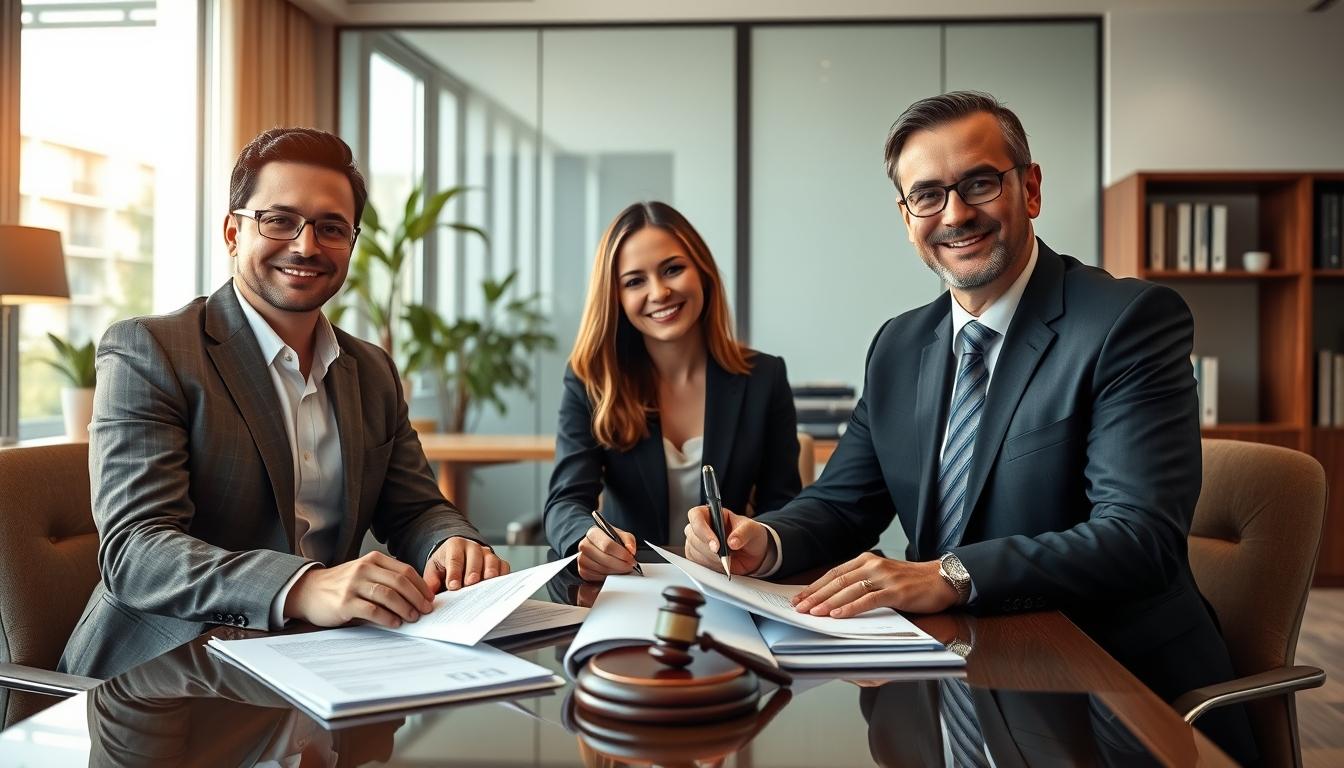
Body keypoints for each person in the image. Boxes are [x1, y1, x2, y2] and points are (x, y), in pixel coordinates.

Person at [682, 91, 1256, 762]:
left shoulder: (1126, 323)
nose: (955, 214)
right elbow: (843, 503)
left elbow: (1139, 538)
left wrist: (950, 574)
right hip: (952, 684)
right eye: (927, 195)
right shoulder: (899, 346)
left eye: (980, 183)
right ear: (906, 216)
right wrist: (767, 540)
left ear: (1030, 188)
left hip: (1113, 699)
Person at [60, 127, 508, 680]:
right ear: (232, 231)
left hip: (320, 662)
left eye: (331, 227)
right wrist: (302, 586)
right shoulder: (152, 350)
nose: (306, 245)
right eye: (279, 219)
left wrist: (451, 542)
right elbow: (137, 551)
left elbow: (415, 509)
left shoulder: (371, 369)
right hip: (164, 674)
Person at [545, 201, 801, 581]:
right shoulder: (591, 380)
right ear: (616, 298)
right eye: (635, 281)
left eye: (673, 269)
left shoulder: (764, 376)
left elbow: (782, 504)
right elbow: (565, 502)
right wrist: (588, 541)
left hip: (732, 584)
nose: (660, 292)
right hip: (628, 586)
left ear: (702, 272)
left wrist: (755, 539)